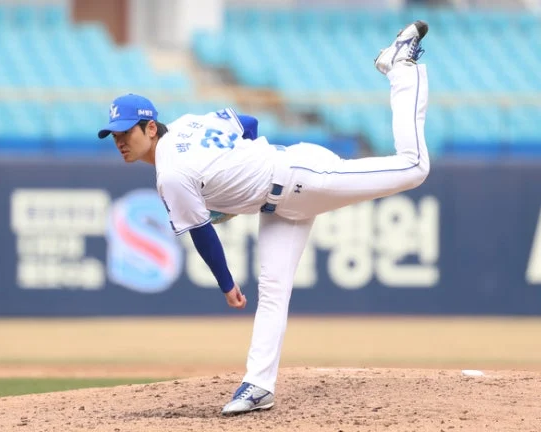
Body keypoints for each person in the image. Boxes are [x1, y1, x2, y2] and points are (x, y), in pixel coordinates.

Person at [98, 20, 430, 415]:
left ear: (151, 127)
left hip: (303, 177)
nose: (120, 141)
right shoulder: (188, 124)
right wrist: (242, 168)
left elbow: (202, 233)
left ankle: (400, 67)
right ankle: (258, 385)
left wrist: (226, 284)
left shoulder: (169, 173)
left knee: (414, 167)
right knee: (273, 291)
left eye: (126, 132)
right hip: (278, 205)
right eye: (114, 135)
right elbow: (247, 124)